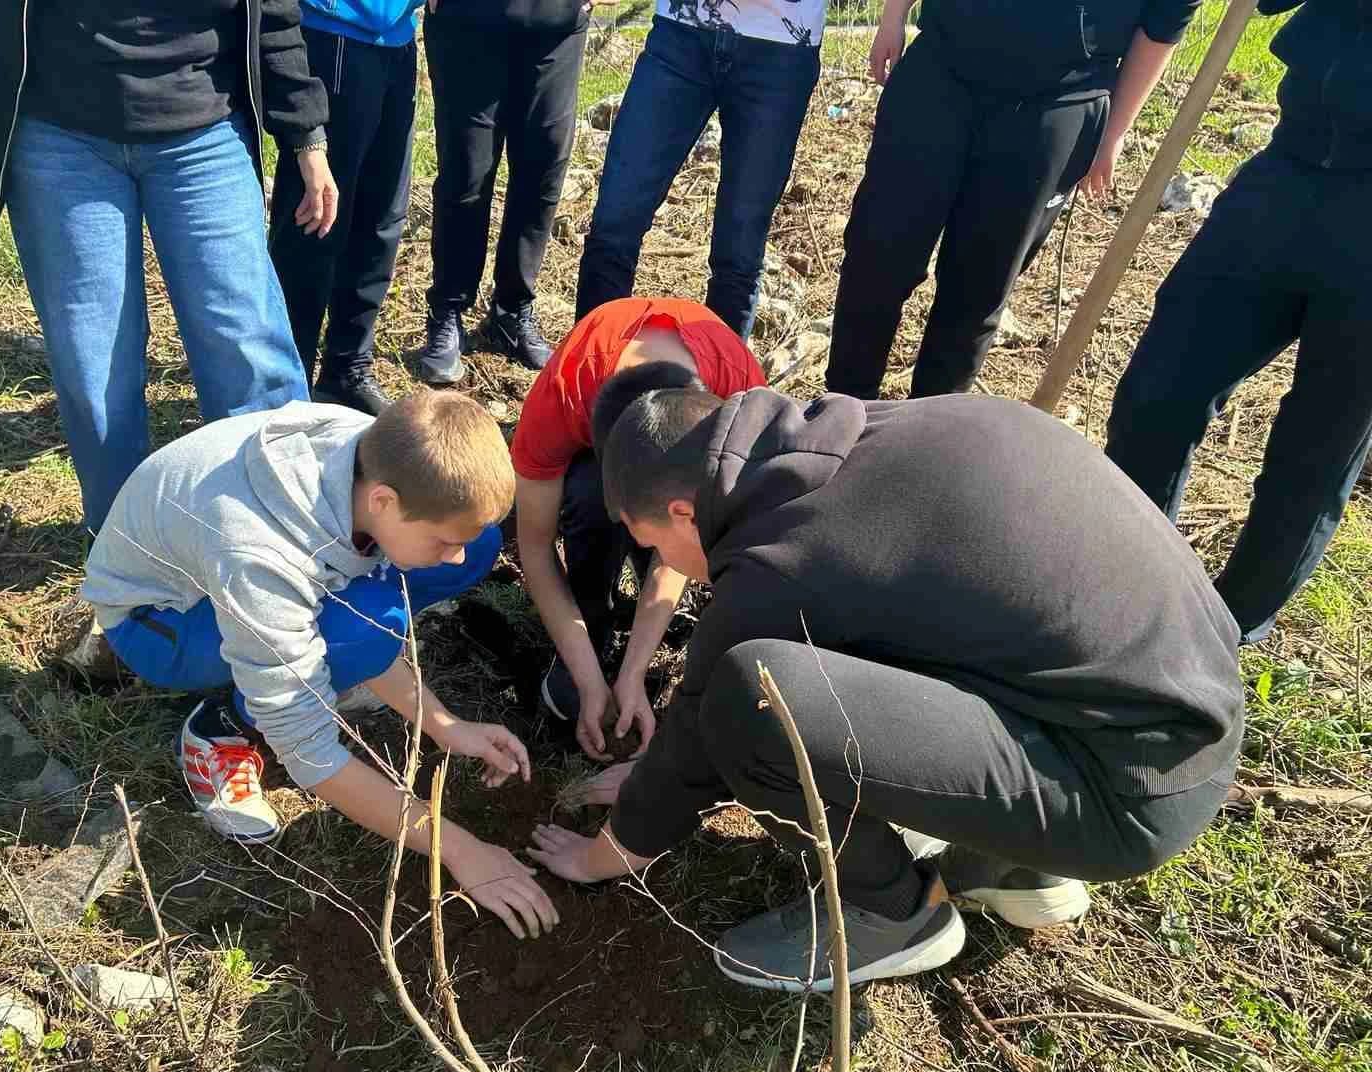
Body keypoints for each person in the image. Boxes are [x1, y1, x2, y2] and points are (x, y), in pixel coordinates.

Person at [527, 386, 1242, 988]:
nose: (669, 564)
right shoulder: (878, 433)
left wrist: (599, 856)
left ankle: (894, 914)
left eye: (653, 546)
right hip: (1176, 710)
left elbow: (698, 736)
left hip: (1123, 796)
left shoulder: (782, 559)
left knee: (752, 697)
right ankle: (1009, 863)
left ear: (682, 511)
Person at [0, 0, 338, 535]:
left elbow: (275, 12)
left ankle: (281, 535)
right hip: (57, 135)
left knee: (246, 346)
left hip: (206, 128)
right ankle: (129, 557)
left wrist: (306, 133)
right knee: (93, 367)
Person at [81, 392, 559, 940]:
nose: (451, 555)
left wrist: (447, 728)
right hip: (159, 622)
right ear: (381, 501)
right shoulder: (262, 561)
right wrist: (461, 850)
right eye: (440, 542)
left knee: (478, 546)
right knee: (361, 630)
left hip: (247, 579)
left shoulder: (377, 451)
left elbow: (429, 559)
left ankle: (324, 657)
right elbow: (309, 752)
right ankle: (220, 732)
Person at [1104, 0, 1372, 646]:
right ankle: (1122, 598)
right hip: (1294, 162)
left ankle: (1219, 641)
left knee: (1313, 459)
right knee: (1160, 387)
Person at [823, 0, 1198, 401]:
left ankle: (927, 438)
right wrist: (893, 18)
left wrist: (1114, 131)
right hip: (941, 69)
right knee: (878, 255)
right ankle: (840, 409)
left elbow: (1163, 22)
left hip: (1059, 101)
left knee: (978, 289)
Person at [513, 297, 765, 757]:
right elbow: (533, 544)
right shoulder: (565, 393)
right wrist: (590, 679)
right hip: (596, 460)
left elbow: (685, 545)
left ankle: (632, 627)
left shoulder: (741, 400)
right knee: (588, 495)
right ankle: (592, 620)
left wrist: (633, 670)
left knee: (692, 527)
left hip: (688, 476)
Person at [572, 0, 825, 341]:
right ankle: (587, 377)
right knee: (615, 222)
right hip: (680, 33)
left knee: (739, 250)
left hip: (782, 50)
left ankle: (722, 388)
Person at [414, 0, 589, 384]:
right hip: (468, 25)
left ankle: (512, 310)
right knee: (466, 174)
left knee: (542, 170)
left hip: (556, 28)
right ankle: (448, 310)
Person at [269, 0, 426, 415]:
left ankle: (347, 368)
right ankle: (287, 380)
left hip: (398, 40)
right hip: (335, 37)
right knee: (316, 217)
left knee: (381, 216)